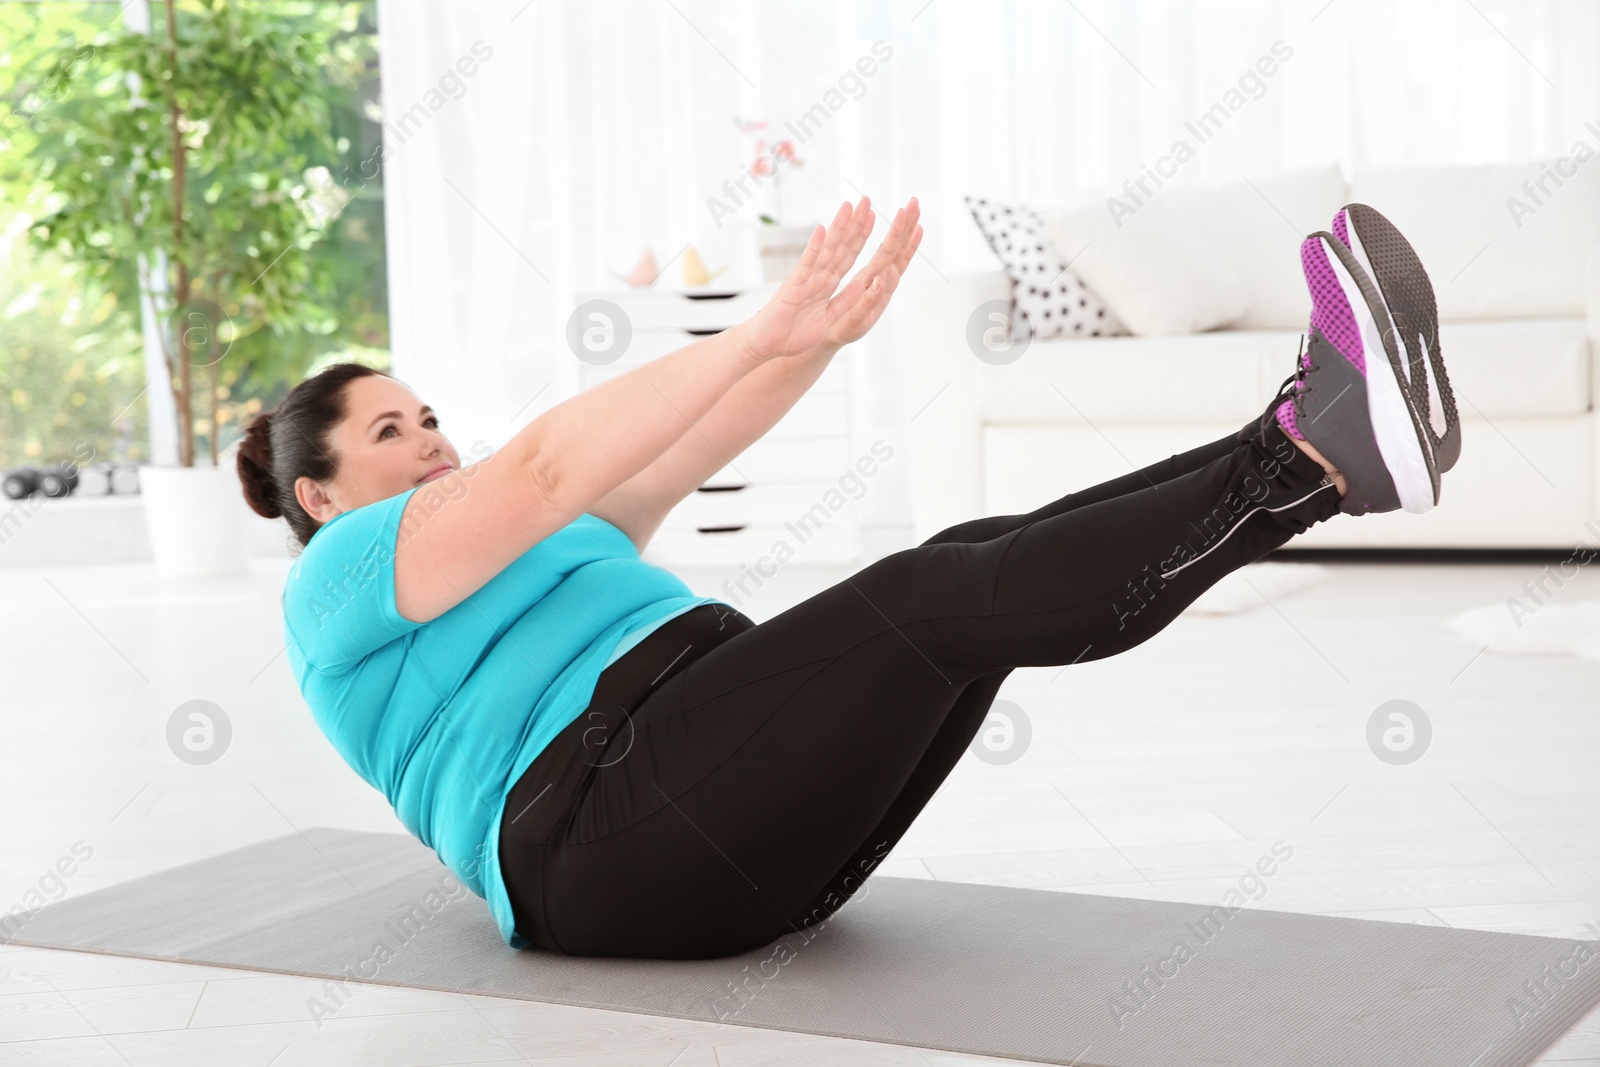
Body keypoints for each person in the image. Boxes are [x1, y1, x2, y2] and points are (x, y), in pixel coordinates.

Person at [237, 196, 1459, 961]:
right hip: (600, 837)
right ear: (321, 494)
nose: (433, 441)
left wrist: (811, 335)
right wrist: (753, 329)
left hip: (707, 806)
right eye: (390, 434)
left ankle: (1316, 447)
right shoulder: (338, 580)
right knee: (924, 603)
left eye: (430, 415)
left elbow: (694, 438)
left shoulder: (530, 540)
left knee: (967, 560)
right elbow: (548, 463)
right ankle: (1316, 454)